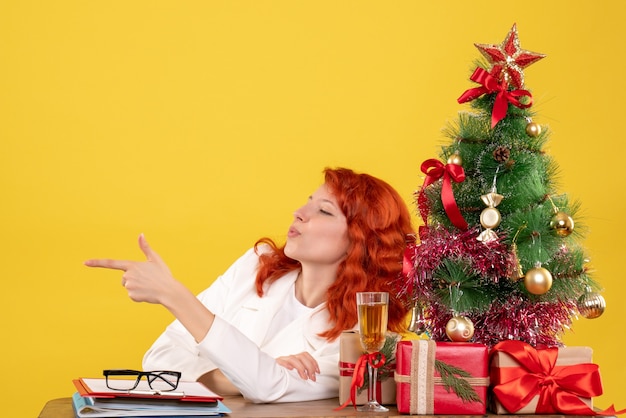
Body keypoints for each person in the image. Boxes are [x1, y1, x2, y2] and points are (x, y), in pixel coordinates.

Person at [84, 167, 414, 403]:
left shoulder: (364, 335)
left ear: (360, 242)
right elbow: (159, 360)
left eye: (323, 211)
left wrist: (174, 295)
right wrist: (228, 377)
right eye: (307, 201)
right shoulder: (258, 265)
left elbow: (269, 389)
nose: (298, 212)